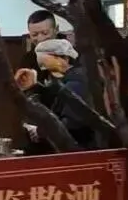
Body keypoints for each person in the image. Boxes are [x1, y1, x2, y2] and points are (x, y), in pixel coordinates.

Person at [16, 38, 94, 150]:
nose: (41, 64)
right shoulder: (65, 81)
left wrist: (40, 131)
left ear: (64, 58)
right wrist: (33, 86)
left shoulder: (76, 83)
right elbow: (54, 96)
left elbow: (71, 123)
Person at [19, 10, 61, 153]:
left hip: (65, 130)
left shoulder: (68, 55)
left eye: (45, 33)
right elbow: (25, 96)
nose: (40, 39)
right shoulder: (28, 59)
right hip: (35, 131)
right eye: (35, 35)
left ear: (56, 30)